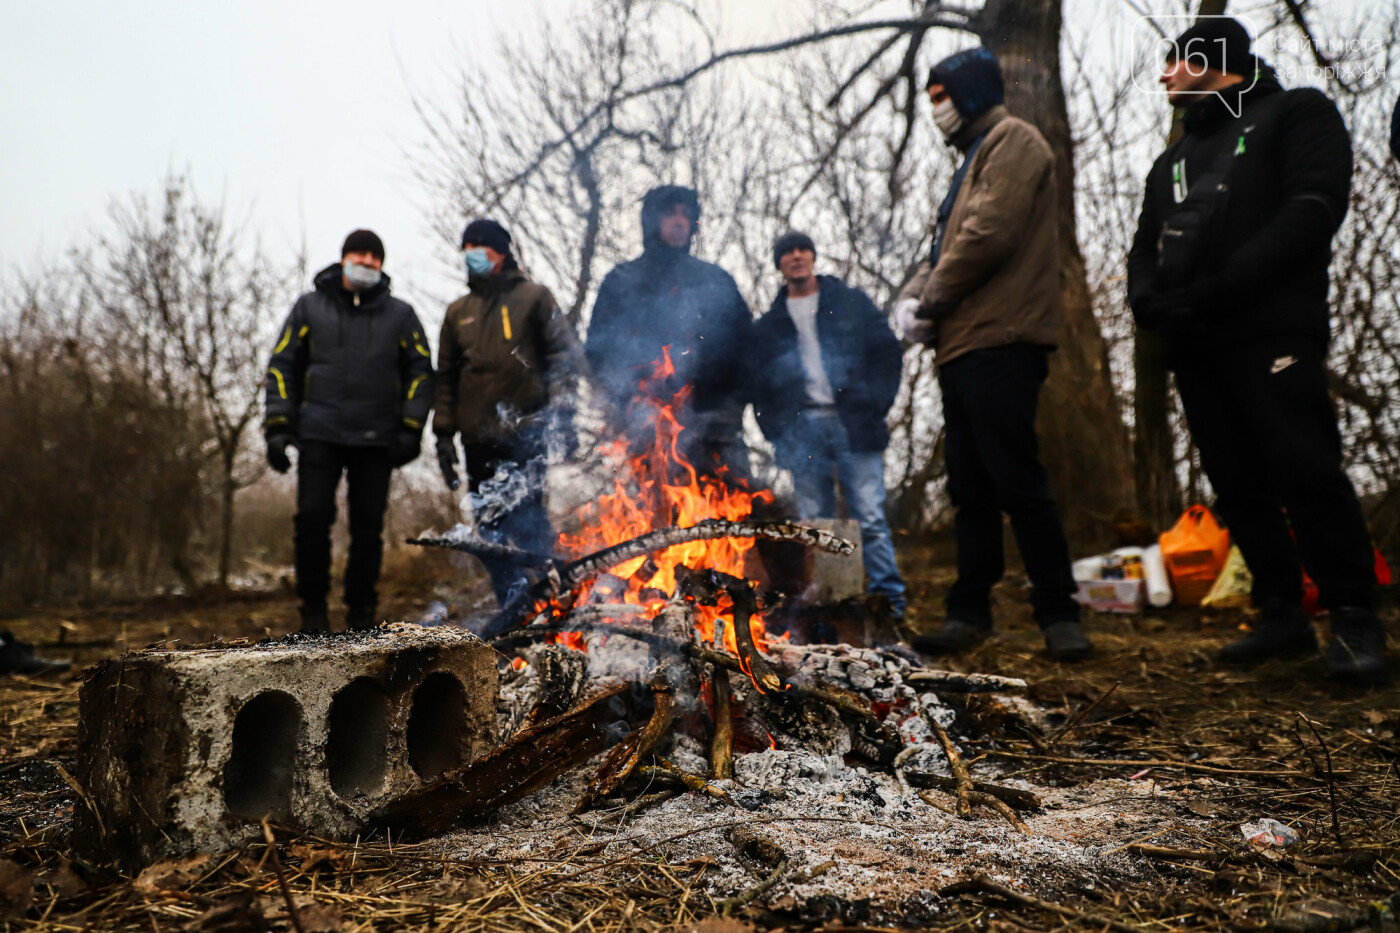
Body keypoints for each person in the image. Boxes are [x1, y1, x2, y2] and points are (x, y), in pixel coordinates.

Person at [1127, 18, 1386, 679]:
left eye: (1177, 62)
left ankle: (1355, 616)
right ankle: (1281, 613)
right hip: (1194, 342)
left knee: (1305, 470)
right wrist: (1149, 302)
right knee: (1237, 484)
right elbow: (1144, 245)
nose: (1167, 77)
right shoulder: (1172, 161)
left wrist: (1224, 286)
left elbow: (1313, 206)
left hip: (1272, 328)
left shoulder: (1296, 112)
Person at [893, 47, 1091, 662]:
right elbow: (938, 255)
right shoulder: (972, 160)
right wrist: (910, 298)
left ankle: (1059, 614)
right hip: (961, 347)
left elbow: (988, 234)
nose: (937, 111)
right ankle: (968, 612)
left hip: (1003, 339)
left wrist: (929, 300)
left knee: (1017, 479)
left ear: (970, 92)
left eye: (941, 96)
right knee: (969, 485)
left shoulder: (1015, 141)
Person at [264, 230, 432, 633]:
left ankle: (361, 616)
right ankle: (313, 614)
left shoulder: (401, 315)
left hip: (377, 438)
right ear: (343, 258)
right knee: (312, 520)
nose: (368, 262)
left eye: (376, 257)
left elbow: (421, 372)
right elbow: (282, 365)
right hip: (318, 432)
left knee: (368, 529)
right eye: (361, 255)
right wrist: (277, 425)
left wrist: (411, 428)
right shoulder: (309, 308)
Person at [752, 232, 907, 620]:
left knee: (869, 518)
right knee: (815, 525)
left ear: (813, 256)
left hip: (853, 423)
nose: (796, 256)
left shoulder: (849, 302)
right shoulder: (770, 323)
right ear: (780, 264)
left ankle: (889, 604)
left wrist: (874, 403)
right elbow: (760, 384)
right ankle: (829, 606)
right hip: (802, 432)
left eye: (802, 249)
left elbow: (887, 353)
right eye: (787, 252)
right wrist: (775, 430)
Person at [434, 219, 584, 606]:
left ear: (501, 251)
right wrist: (443, 436)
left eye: (480, 246)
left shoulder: (535, 297)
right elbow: (446, 378)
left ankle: (552, 601)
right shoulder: (457, 312)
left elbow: (563, 359)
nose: (472, 254)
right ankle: (515, 606)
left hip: (526, 433)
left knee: (530, 521)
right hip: (476, 438)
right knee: (490, 532)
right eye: (466, 247)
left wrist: (565, 417)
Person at [585, 185, 754, 483]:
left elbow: (746, 347)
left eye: (686, 215)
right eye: (670, 213)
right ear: (651, 220)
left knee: (731, 517)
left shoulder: (716, 280)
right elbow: (599, 354)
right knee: (658, 521)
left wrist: (730, 407)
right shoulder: (622, 282)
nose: (679, 221)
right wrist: (623, 408)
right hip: (648, 425)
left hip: (714, 425)